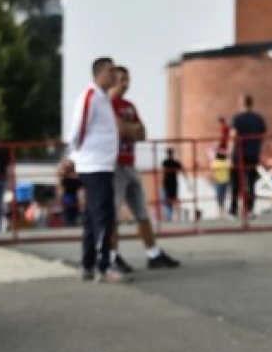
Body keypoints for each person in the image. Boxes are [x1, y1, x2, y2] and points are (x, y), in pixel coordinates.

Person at [107, 65, 180, 272]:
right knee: (113, 213)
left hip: (130, 163)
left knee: (141, 210)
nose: (126, 84)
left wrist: (130, 130)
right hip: (115, 164)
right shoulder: (107, 105)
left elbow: (142, 133)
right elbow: (121, 131)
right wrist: (130, 130)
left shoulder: (129, 106)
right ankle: (111, 256)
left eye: (128, 79)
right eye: (122, 79)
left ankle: (153, 253)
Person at [66, 57, 128, 283]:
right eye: (111, 70)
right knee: (103, 216)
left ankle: (89, 264)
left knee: (94, 216)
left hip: (102, 164)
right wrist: (74, 156)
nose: (114, 75)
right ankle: (103, 266)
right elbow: (78, 128)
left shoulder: (103, 99)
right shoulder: (91, 96)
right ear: (100, 73)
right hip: (94, 164)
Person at [227, 94, 267, 220]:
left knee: (235, 184)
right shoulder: (258, 119)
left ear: (241, 103)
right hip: (252, 154)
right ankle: (249, 209)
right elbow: (262, 134)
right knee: (251, 183)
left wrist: (229, 153)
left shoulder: (237, 119)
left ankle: (233, 210)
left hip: (238, 154)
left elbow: (233, 136)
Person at [161, 148, 184, 221]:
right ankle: (172, 216)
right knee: (171, 200)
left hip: (169, 183)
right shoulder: (171, 162)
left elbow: (181, 169)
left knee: (170, 200)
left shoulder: (166, 162)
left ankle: (172, 216)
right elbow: (182, 170)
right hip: (171, 183)